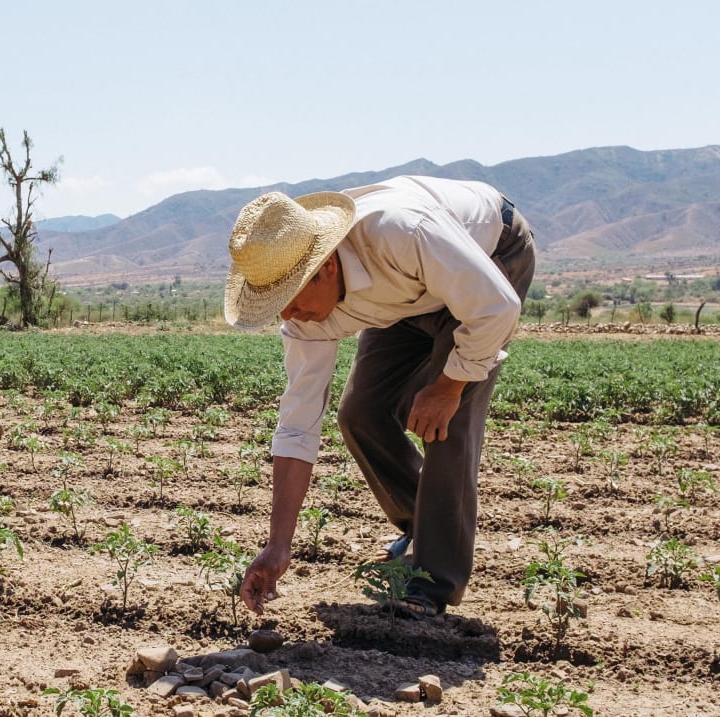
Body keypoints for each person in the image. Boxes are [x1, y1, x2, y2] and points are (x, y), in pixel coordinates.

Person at [226, 175, 535, 620]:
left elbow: (496, 307)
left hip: (489, 259)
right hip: (407, 294)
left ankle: (432, 584)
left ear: (327, 266)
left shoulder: (402, 232)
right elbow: (298, 423)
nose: (289, 316)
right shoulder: (306, 315)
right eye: (276, 303)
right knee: (361, 413)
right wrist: (278, 545)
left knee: (444, 423)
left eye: (290, 299)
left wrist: (448, 388)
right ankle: (423, 528)